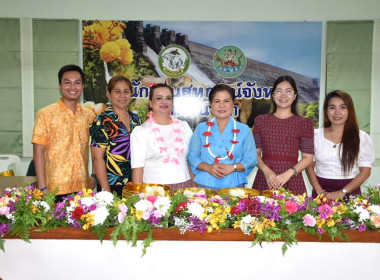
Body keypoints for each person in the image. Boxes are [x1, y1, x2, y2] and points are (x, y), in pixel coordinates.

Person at [32, 64, 95, 201]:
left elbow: (96, 148)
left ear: (83, 86)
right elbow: (38, 151)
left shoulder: (89, 115)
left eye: (77, 83)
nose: (73, 87)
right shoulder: (46, 114)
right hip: (53, 189)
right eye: (67, 82)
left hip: (83, 189)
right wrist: (43, 188)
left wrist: (93, 176)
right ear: (59, 86)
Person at [306, 90, 375, 199]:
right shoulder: (315, 135)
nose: (337, 112)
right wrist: (320, 192)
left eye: (342, 107)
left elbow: (365, 171)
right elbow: (309, 167)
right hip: (321, 190)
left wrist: (343, 192)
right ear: (326, 111)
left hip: (350, 190)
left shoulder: (361, 137)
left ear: (349, 110)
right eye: (332, 107)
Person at [187, 84, 257, 191]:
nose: (222, 105)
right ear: (211, 104)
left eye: (226, 101)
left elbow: (251, 159)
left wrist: (233, 167)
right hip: (206, 185)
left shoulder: (244, 130)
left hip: (234, 185)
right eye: (217, 101)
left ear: (233, 103)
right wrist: (208, 167)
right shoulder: (201, 128)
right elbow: (192, 156)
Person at [252, 75, 314, 195]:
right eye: (279, 91)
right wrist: (266, 171)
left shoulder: (304, 123)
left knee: (293, 213)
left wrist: (289, 173)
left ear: (295, 95)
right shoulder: (260, 120)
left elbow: (308, 158)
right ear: (273, 95)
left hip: (292, 179)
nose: (283, 95)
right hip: (265, 178)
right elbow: (255, 153)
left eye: (288, 91)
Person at [131, 83, 193, 192]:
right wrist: (138, 196)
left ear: (172, 102)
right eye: (159, 98)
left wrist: (194, 188)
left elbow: (190, 161)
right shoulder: (141, 131)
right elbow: (137, 168)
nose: (164, 102)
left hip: (184, 187)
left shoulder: (184, 127)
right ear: (150, 103)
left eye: (168, 98)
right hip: (153, 190)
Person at [90, 76, 141, 197]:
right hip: (112, 183)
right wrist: (106, 191)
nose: (122, 96)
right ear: (108, 93)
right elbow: (97, 158)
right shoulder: (101, 120)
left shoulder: (136, 120)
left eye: (126, 91)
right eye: (117, 91)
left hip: (135, 182)